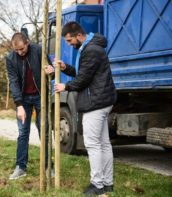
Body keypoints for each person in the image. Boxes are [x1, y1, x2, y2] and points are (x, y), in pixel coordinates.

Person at [45, 21, 116, 196]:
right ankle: (107, 183)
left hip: (96, 102)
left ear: (78, 35)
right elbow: (82, 72)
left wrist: (65, 87)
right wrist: (65, 68)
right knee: (104, 144)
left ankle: (97, 185)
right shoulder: (91, 47)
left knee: (93, 144)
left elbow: (83, 79)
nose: (69, 44)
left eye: (69, 40)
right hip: (102, 100)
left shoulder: (91, 50)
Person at [6, 32, 50, 180]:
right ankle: (20, 167)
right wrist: (18, 104)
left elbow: (50, 72)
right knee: (23, 132)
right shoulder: (10, 58)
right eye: (16, 50)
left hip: (40, 96)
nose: (19, 52)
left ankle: (47, 166)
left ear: (27, 43)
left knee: (43, 131)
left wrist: (52, 71)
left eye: (22, 49)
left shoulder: (39, 51)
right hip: (23, 99)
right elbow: (13, 81)